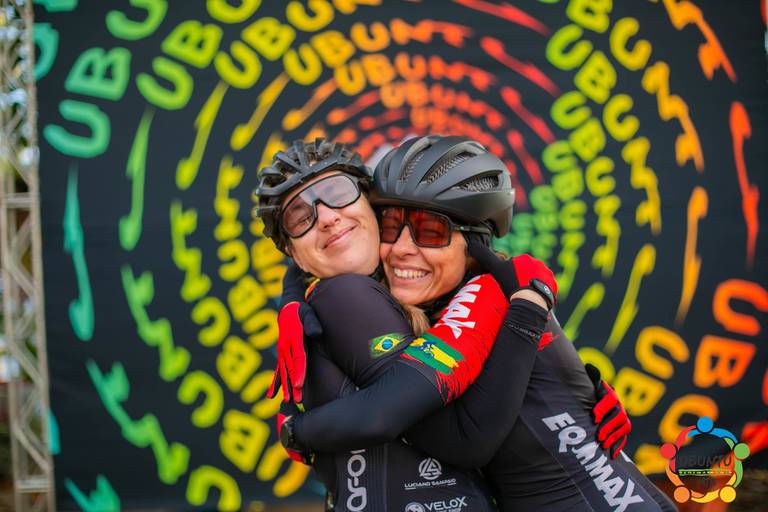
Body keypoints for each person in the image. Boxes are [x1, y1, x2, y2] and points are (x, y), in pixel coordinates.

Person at [255, 137, 645, 511]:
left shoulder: (488, 293)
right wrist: (292, 295)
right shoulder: (407, 302)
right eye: (392, 227)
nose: (327, 218)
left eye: (432, 232)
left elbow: (464, 438)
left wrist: (298, 430)